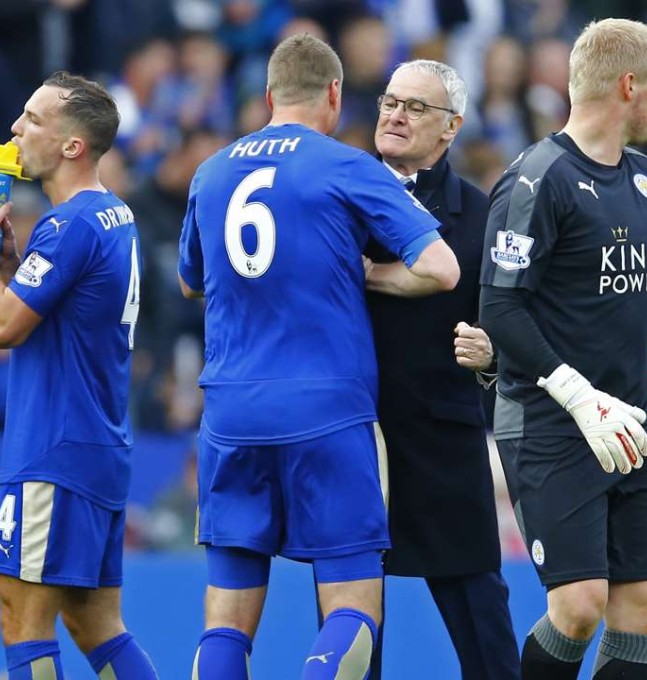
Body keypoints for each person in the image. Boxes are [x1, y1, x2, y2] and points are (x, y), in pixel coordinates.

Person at [178, 34, 459, 679]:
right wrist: (366, 274)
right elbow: (440, 268)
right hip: (327, 411)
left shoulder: (212, 170)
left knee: (224, 618)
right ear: (335, 94)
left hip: (230, 412)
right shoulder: (345, 165)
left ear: (269, 96)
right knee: (352, 607)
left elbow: (191, 280)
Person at [479, 19, 647, 680]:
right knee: (578, 606)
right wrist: (578, 397)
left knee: (645, 608)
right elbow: (500, 309)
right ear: (628, 85)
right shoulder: (535, 179)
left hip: (633, 422)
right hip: (550, 421)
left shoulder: (645, 179)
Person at [363, 59, 519, 679]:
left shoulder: (481, 217)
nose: (396, 115)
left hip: (441, 435)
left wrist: (495, 355)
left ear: (451, 128)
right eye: (390, 101)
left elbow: (512, 323)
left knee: (481, 616)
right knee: (352, 619)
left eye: (416, 107)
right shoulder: (337, 196)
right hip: (355, 432)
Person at [0, 72, 158, 679]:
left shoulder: (71, 226)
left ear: (72, 146)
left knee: (21, 619)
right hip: (95, 442)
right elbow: (45, 317)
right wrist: (11, 268)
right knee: (94, 622)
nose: (16, 129)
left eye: (33, 120)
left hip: (53, 449)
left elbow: (7, 329)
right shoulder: (113, 214)